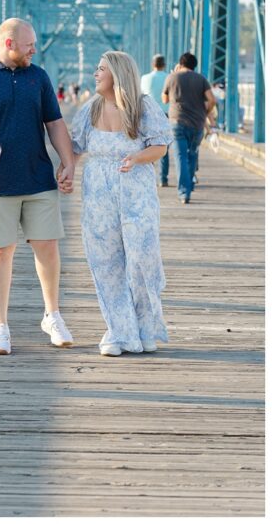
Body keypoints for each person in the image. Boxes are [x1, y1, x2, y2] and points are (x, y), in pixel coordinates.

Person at [0, 18, 77, 356]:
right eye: (29, 45)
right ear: (9, 43)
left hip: (38, 177)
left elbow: (54, 123)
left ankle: (52, 316)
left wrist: (67, 162)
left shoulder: (38, 77)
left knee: (48, 247)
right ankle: (0, 327)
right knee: (1, 251)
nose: (34, 50)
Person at [70, 51, 172, 356]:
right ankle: (119, 331)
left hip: (136, 190)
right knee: (106, 261)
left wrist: (137, 158)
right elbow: (75, 146)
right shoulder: (90, 109)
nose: (95, 74)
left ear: (117, 73)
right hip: (98, 193)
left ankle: (145, 326)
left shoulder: (143, 107)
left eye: (101, 69)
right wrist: (67, 169)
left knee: (141, 257)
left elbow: (160, 146)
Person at [162, 52, 215, 204]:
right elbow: (212, 99)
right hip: (197, 123)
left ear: (180, 63)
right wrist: (205, 110)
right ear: (194, 65)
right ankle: (189, 183)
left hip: (177, 122)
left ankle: (184, 192)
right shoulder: (201, 79)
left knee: (180, 157)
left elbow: (164, 99)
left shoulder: (172, 78)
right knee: (192, 155)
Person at [139, 54, 171, 186]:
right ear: (164, 64)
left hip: (149, 115)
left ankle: (149, 175)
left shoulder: (145, 78)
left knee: (148, 147)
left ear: (153, 64)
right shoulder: (169, 77)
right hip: (166, 115)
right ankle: (163, 178)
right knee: (163, 147)